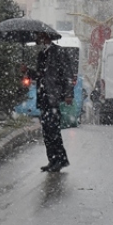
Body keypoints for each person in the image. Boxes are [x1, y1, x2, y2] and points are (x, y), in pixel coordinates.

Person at [30, 31, 72, 172]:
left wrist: (68, 94)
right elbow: (39, 75)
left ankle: (60, 160)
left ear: (45, 37)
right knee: (47, 131)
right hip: (43, 96)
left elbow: (67, 74)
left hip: (53, 96)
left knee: (53, 130)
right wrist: (27, 71)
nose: (36, 39)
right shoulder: (41, 54)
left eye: (38, 36)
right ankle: (52, 160)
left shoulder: (58, 52)